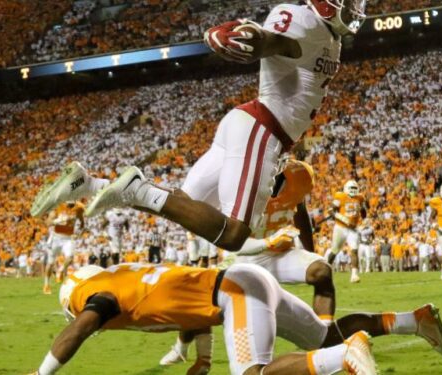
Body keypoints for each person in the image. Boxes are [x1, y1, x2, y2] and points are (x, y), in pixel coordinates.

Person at [30, 1, 368, 255]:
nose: (357, 8)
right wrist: (246, 37)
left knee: (185, 205)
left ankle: (89, 183)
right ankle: (134, 186)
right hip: (263, 129)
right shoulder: (304, 20)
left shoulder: (329, 38)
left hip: (248, 126)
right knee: (234, 234)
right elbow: (272, 41)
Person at [30, 262, 442, 375]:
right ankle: (412, 320)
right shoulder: (127, 277)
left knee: (254, 373)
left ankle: (344, 358)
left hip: (234, 293)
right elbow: (182, 308)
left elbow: (81, 326)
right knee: (322, 336)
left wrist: (42, 372)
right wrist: (201, 358)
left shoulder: (95, 296)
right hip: (246, 282)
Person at [161, 158, 336, 367]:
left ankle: (325, 338)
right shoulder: (238, 184)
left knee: (321, 271)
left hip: (279, 253)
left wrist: (311, 252)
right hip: (243, 253)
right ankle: (181, 346)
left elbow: (301, 214)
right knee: (204, 298)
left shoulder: (298, 176)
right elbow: (225, 231)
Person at [327, 180, 368, 282]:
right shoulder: (340, 196)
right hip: (340, 227)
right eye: (351, 188)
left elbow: (364, 214)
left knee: (354, 249)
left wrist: (363, 208)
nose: (353, 191)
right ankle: (325, 269)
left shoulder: (360, 198)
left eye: (355, 189)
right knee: (334, 250)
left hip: (353, 229)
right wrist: (345, 220)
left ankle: (354, 275)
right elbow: (331, 211)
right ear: (346, 189)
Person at [43, 201, 85, 295]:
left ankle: (60, 270)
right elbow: (48, 223)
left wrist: (78, 233)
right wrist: (56, 221)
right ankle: (46, 284)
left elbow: (82, 223)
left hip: (68, 238)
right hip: (56, 237)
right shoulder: (57, 207)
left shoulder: (78, 209)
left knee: (70, 257)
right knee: (50, 262)